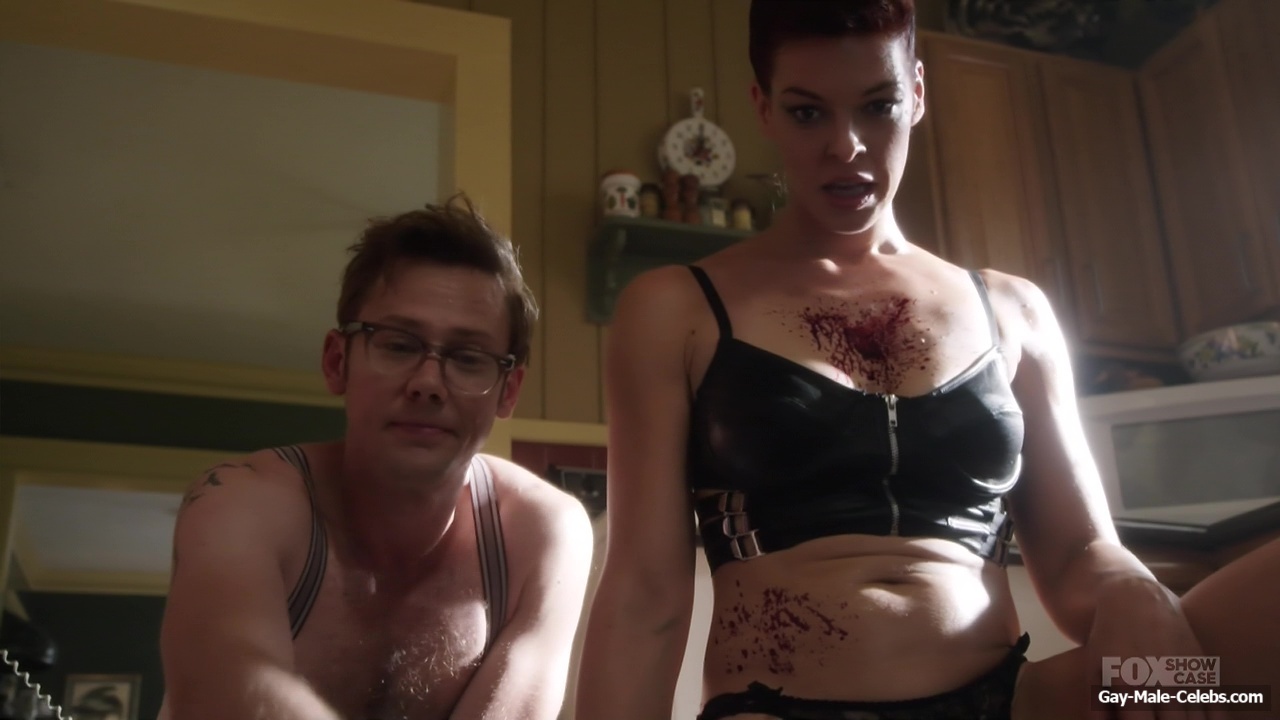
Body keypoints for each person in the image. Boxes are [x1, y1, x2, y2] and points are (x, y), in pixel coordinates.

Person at [575, 1, 1280, 719]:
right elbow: (645, 597)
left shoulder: (1015, 310)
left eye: (877, 106)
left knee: (1230, 669)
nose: (846, 146)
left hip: (1009, 703)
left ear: (916, 93)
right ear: (764, 108)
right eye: (808, 113)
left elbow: (1078, 557)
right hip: (782, 706)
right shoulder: (675, 308)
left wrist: (1134, 589)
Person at [158, 195, 593, 720]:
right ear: (337, 361)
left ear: (509, 390)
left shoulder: (541, 532)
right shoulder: (240, 503)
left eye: (468, 358)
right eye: (398, 345)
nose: (428, 383)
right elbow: (226, 691)